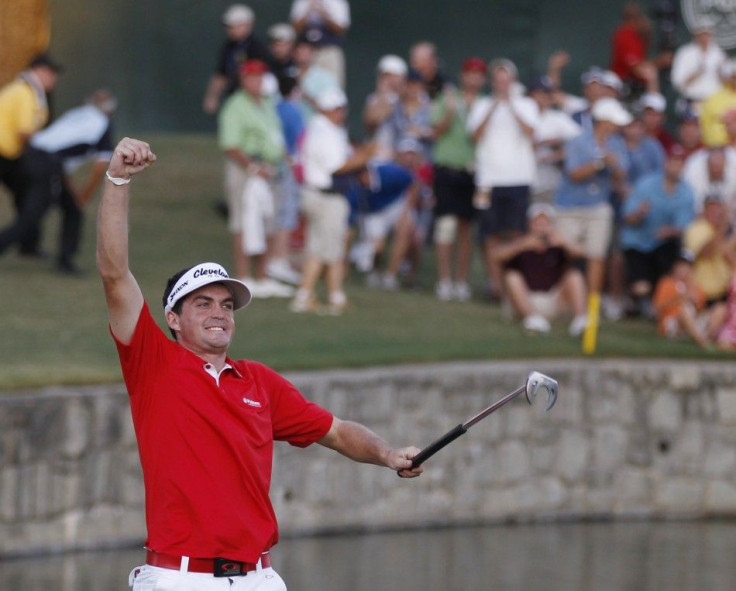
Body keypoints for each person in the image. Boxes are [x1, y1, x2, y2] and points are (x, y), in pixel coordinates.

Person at [97, 137, 422, 591]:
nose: (219, 313)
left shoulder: (258, 382)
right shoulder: (152, 362)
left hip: (259, 578)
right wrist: (117, 179)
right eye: (203, 303)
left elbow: (337, 431)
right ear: (172, 318)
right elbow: (114, 274)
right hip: (177, 578)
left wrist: (387, 454)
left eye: (227, 305)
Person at [16, 89, 117, 274]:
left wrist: (75, 194)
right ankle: (63, 262)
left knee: (71, 209)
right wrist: (85, 196)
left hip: (34, 156)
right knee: (31, 217)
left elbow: (59, 156)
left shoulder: (77, 114)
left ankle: (65, 262)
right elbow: (100, 166)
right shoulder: (102, 124)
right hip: (45, 163)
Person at [290, 87, 371, 314]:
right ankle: (309, 295)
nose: (340, 113)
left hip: (319, 194)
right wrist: (366, 155)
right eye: (336, 109)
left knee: (324, 247)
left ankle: (333, 295)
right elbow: (337, 167)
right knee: (327, 249)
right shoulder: (324, 131)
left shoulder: (322, 128)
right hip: (326, 196)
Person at [217, 59, 293, 298]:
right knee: (243, 221)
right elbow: (230, 144)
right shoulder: (235, 106)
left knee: (267, 221)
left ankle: (264, 276)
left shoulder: (268, 103)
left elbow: (274, 136)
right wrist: (251, 167)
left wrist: (284, 158)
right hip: (246, 169)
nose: (257, 81)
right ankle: (244, 277)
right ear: (243, 80)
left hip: (270, 169)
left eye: (260, 77)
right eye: (252, 77)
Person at [467, 58, 539, 301]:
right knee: (490, 234)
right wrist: (493, 107)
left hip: (518, 177)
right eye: (498, 81)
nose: (502, 85)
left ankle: (515, 282)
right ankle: (495, 284)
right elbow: (475, 136)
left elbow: (531, 133)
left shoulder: (527, 104)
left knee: (517, 233)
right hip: (488, 179)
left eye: (506, 80)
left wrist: (511, 105)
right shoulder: (482, 104)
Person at [554, 97, 631, 323]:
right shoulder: (578, 141)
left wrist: (612, 164)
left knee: (597, 256)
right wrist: (600, 163)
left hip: (598, 205)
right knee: (566, 255)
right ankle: (566, 302)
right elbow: (574, 174)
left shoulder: (617, 143)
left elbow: (621, 176)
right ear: (604, 121)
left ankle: (592, 306)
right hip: (569, 206)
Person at [431, 57, 486, 301]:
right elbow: (437, 131)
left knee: (466, 229)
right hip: (447, 167)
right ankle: (444, 280)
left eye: (478, 74)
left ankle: (461, 281)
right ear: (463, 76)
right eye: (470, 73)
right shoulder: (447, 99)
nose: (473, 78)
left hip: (473, 170)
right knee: (445, 226)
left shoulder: (486, 103)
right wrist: (452, 112)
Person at [620, 143, 696, 317]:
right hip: (638, 241)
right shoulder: (646, 184)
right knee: (641, 285)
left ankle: (657, 303)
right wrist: (639, 214)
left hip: (662, 244)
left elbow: (682, 225)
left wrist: (671, 231)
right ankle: (638, 301)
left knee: (671, 255)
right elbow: (628, 218)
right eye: (673, 161)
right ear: (666, 163)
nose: (676, 167)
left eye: (680, 163)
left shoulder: (686, 192)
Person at [492, 203, 588, 336]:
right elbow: (496, 256)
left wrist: (564, 243)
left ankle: (580, 321)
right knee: (512, 276)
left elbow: (584, 254)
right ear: (530, 224)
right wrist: (521, 245)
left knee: (574, 276)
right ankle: (532, 319)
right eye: (537, 223)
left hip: (553, 299)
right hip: (526, 299)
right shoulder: (521, 244)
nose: (541, 227)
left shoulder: (558, 245)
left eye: (545, 223)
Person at [0, 53, 62, 258]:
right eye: (51, 73)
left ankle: (28, 243)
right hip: (5, 155)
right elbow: (25, 131)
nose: (54, 79)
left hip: (10, 156)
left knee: (27, 195)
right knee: (33, 196)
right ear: (39, 72)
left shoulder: (28, 90)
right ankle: (22, 241)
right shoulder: (26, 92)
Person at [202, 4, 272, 115]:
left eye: (233, 26)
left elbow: (261, 79)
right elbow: (220, 73)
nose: (229, 30)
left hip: (253, 101)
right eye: (228, 26)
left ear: (247, 25)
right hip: (234, 97)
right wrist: (212, 97)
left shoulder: (256, 48)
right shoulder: (228, 46)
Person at [652, 250, 713, 348]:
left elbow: (701, 310)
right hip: (672, 323)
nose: (682, 269)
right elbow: (657, 309)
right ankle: (702, 342)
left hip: (693, 323)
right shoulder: (666, 283)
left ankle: (705, 337)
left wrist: (693, 300)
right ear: (674, 267)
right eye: (680, 265)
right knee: (684, 311)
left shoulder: (695, 287)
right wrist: (681, 297)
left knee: (719, 309)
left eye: (686, 266)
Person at [684, 193, 736, 307]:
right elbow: (707, 252)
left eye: (719, 208)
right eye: (711, 208)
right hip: (703, 294)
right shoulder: (696, 228)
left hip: (726, 291)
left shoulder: (729, 232)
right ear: (704, 211)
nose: (716, 212)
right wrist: (723, 226)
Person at [289, 0, 350, 89]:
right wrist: (308, 10)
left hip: (329, 51)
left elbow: (341, 29)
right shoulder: (302, 2)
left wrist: (323, 13)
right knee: (304, 86)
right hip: (306, 52)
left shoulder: (337, 2)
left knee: (333, 87)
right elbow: (295, 27)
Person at [670, 19, 726, 114]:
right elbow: (677, 83)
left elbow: (726, 81)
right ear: (696, 35)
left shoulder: (718, 53)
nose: (704, 37)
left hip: (713, 103)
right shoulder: (685, 53)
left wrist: (720, 72)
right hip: (691, 101)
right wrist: (696, 74)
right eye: (702, 34)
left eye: (707, 34)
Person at [362, 54, 408, 161]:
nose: (388, 80)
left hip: (407, 155)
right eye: (385, 76)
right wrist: (383, 95)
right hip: (383, 156)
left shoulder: (410, 96)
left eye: (393, 76)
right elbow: (371, 122)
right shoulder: (374, 99)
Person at [682, 146, 736, 214]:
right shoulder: (694, 174)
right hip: (703, 216)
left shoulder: (733, 172)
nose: (716, 170)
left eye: (719, 166)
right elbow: (696, 207)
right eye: (713, 166)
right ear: (708, 164)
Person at [699, 59, 736, 148]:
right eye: (734, 76)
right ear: (728, 77)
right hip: (716, 148)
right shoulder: (713, 99)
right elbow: (703, 124)